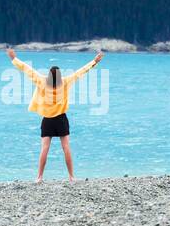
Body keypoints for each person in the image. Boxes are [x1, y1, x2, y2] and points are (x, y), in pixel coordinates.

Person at [6, 47, 103, 183]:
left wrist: (13, 58)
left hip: (47, 120)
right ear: (59, 75)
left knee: (44, 148)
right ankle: (71, 177)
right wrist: (94, 62)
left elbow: (27, 69)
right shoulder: (65, 82)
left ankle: (39, 177)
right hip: (61, 119)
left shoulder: (42, 81)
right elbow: (81, 72)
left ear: (49, 75)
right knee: (66, 148)